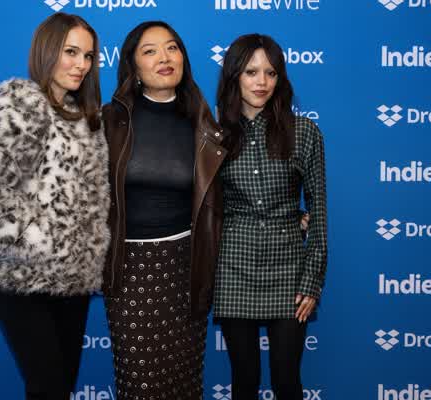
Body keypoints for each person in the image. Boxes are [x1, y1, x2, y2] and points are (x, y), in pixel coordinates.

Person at [0, 13, 109, 400]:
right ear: (47, 50)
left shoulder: (87, 120)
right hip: (23, 280)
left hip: (74, 282)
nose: (81, 64)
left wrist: (80, 253)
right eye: (71, 52)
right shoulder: (20, 101)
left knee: (60, 388)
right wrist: (32, 242)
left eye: (88, 56)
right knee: (48, 388)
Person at [101, 21, 227, 400]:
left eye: (172, 48)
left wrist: (289, 215)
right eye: (150, 51)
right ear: (133, 66)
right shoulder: (110, 122)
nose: (164, 57)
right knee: (139, 383)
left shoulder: (203, 123)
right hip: (129, 269)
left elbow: (222, 196)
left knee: (184, 383)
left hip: (187, 266)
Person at [213, 33, 328, 400]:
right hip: (233, 266)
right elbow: (206, 207)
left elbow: (320, 211)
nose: (261, 82)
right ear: (234, 76)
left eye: (271, 73)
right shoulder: (214, 135)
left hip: (289, 268)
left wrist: (312, 280)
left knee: (287, 380)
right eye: (251, 72)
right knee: (244, 381)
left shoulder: (304, 132)